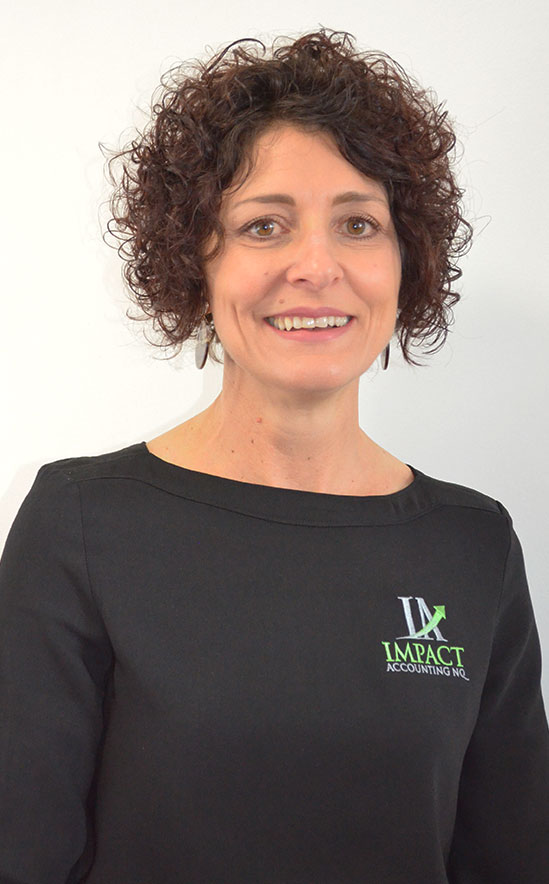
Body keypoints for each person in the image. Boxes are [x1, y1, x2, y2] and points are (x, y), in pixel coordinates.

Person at [0, 28, 548, 884]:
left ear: (405, 262)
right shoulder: (81, 523)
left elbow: (511, 857)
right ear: (195, 262)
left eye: (358, 224)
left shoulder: (472, 543)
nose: (315, 266)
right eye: (264, 226)